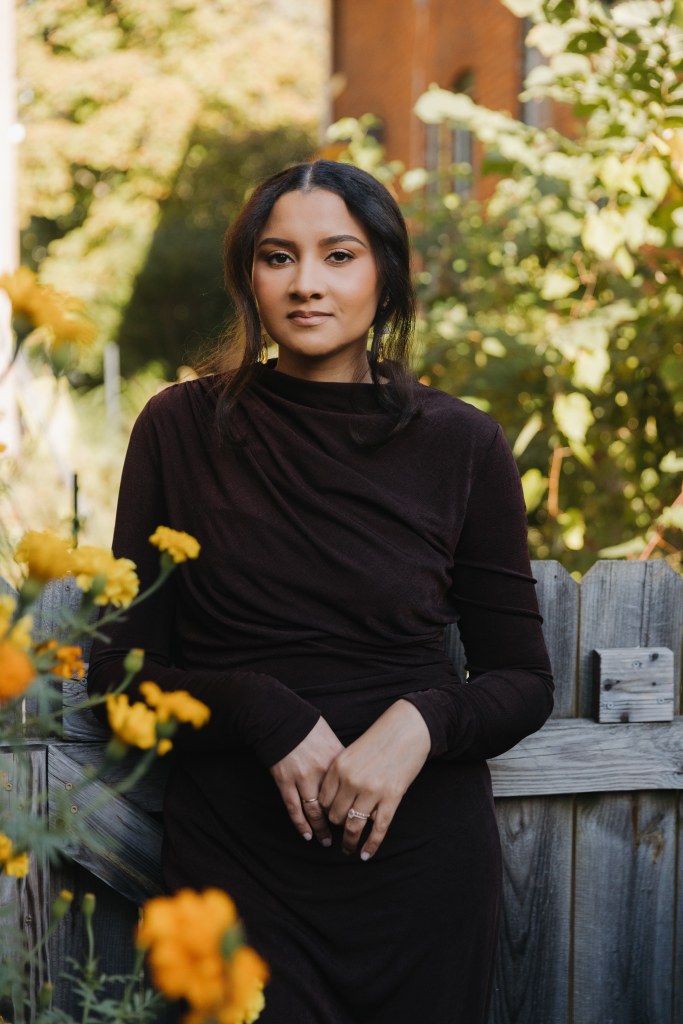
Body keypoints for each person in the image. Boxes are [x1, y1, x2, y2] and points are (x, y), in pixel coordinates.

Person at [88, 159, 554, 1023]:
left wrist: (421, 722)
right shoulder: (179, 428)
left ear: (385, 272)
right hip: (234, 874)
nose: (306, 284)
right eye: (278, 257)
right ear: (249, 278)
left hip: (421, 876)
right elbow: (116, 677)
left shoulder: (460, 443)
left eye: (338, 255)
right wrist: (259, 709)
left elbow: (522, 682)